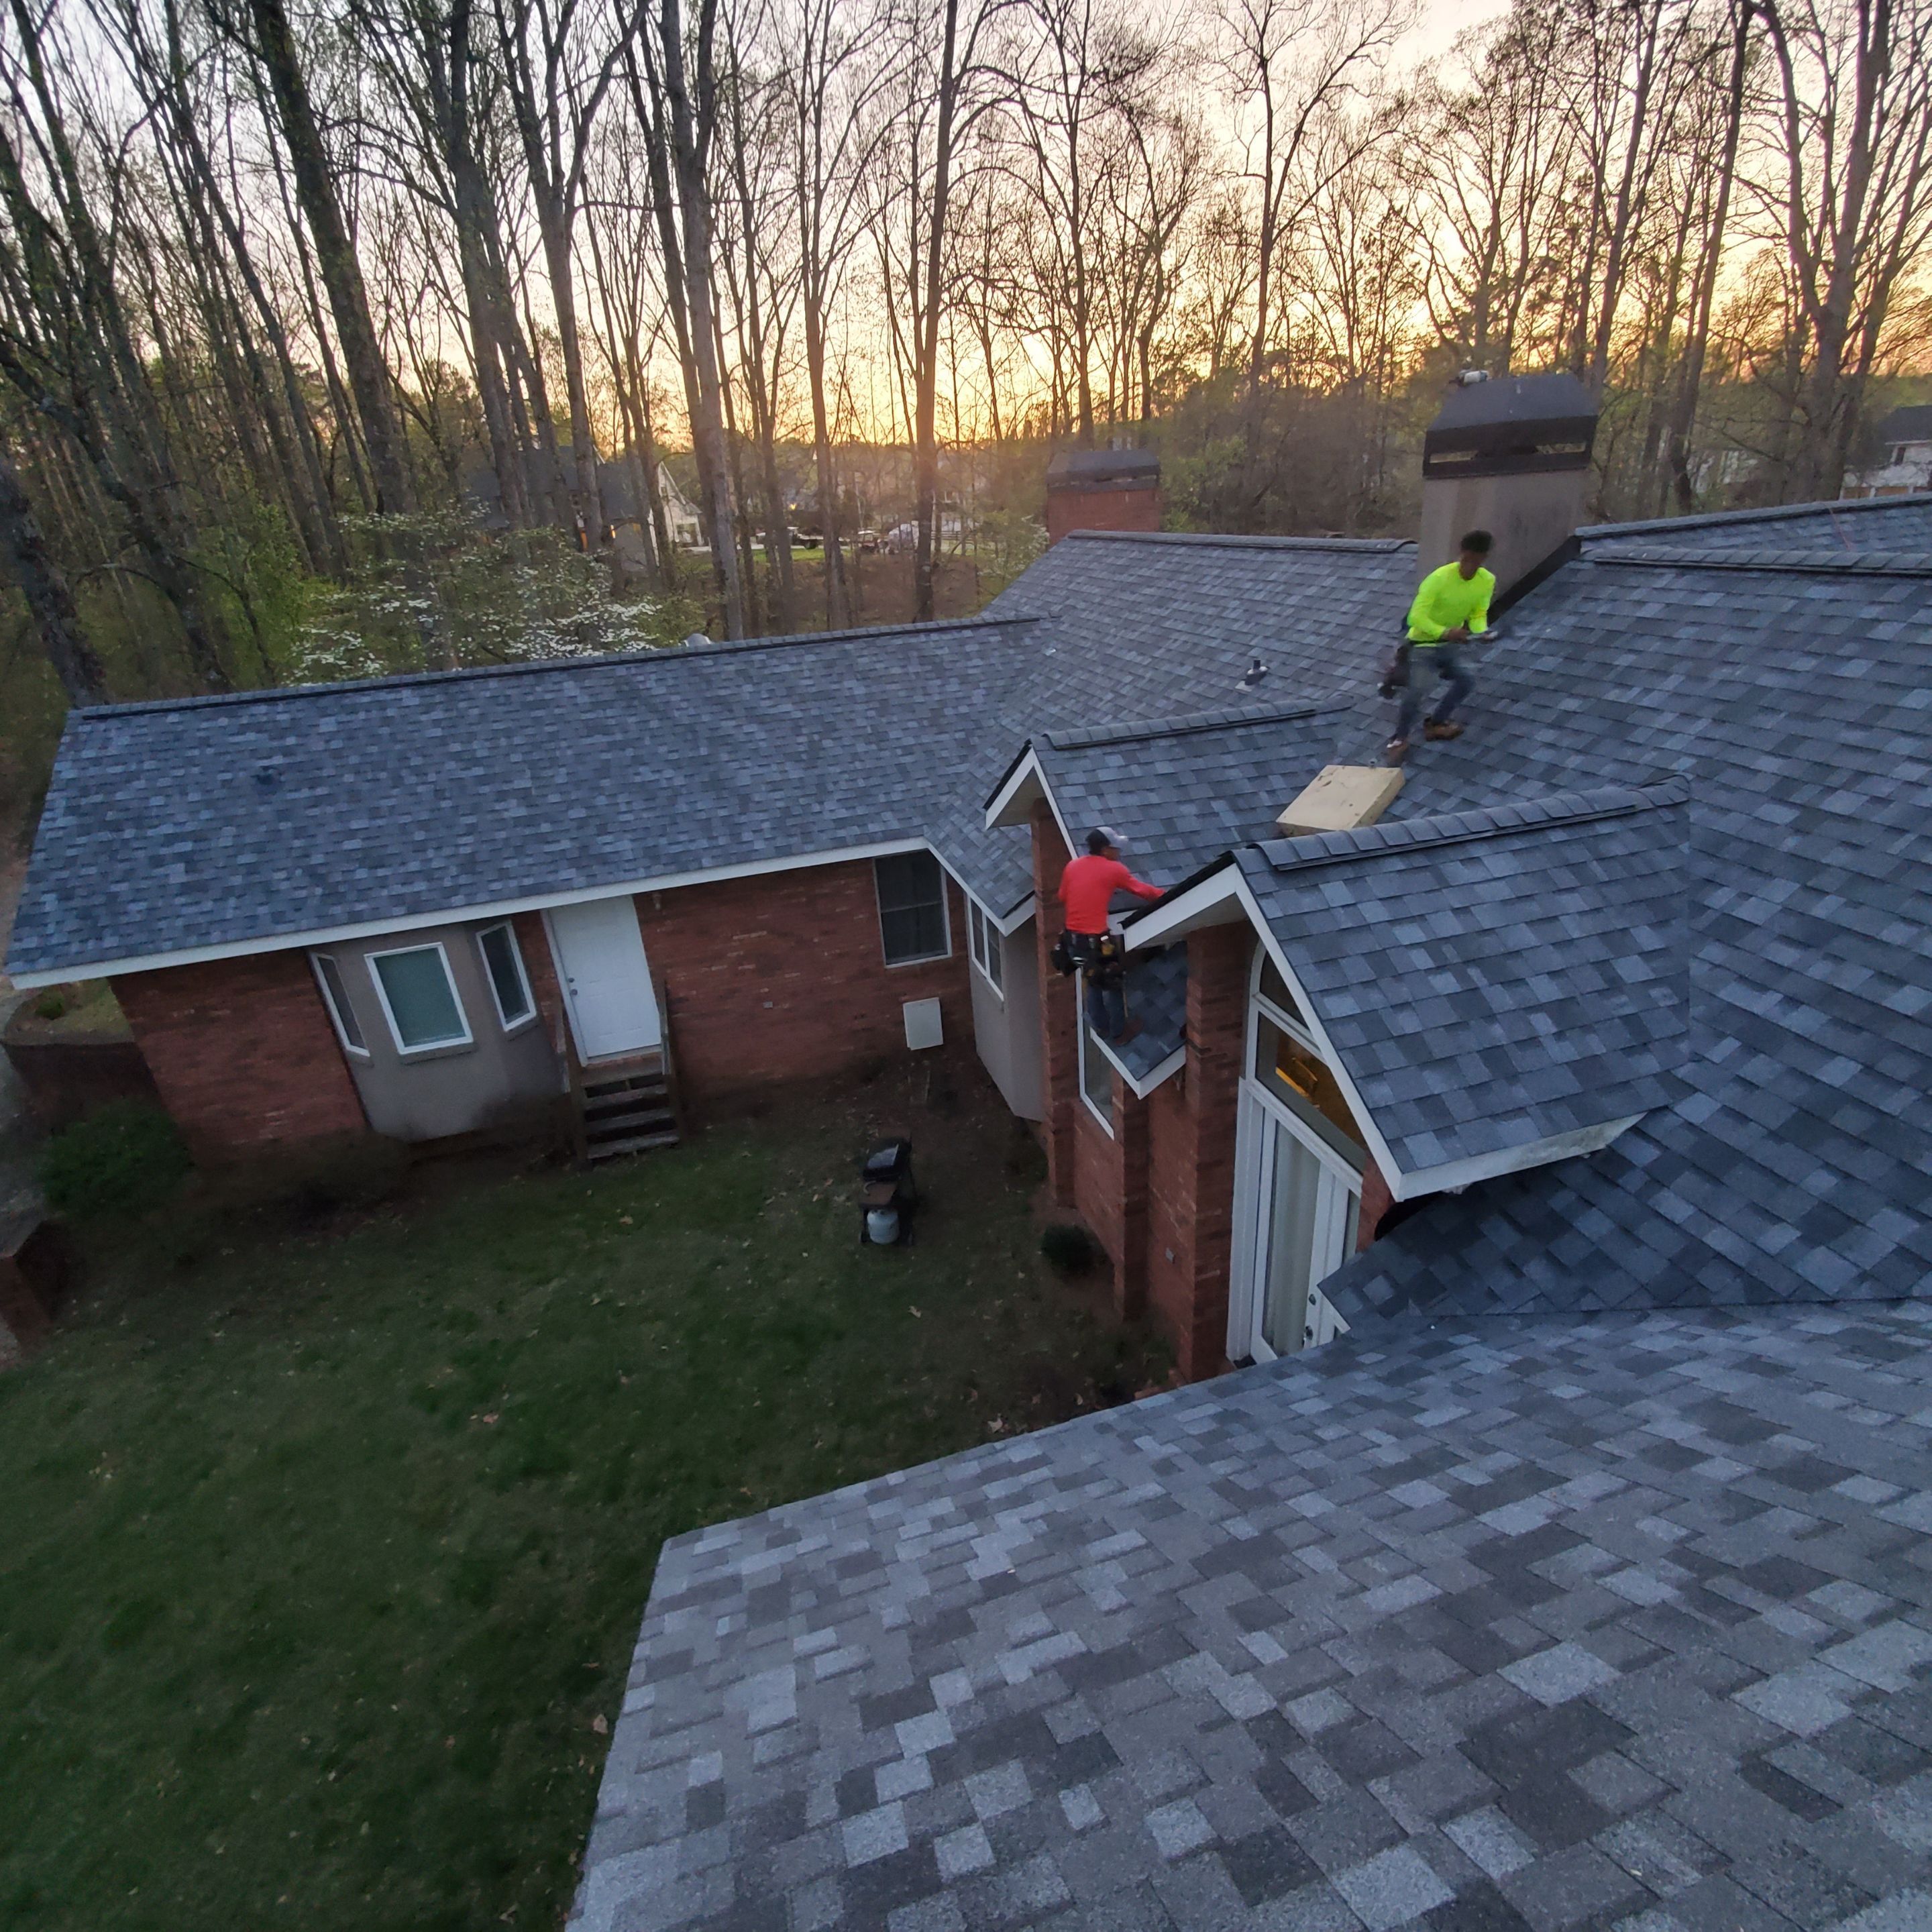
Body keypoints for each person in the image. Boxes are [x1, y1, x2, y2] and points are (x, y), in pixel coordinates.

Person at [1386, 528, 1494, 764]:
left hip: (1449, 647)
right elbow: (1416, 617)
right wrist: (1445, 632)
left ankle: (1436, 722)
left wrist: (1481, 631)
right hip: (1422, 645)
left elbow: (1478, 613)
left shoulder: (1487, 580)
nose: (1470, 566)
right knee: (1418, 690)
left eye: (1476, 561)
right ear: (1461, 554)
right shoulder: (1438, 579)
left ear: (1484, 558)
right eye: (1467, 560)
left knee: (1467, 681)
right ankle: (1399, 738)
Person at [1057, 826, 1162, 1040]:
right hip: (1097, 941)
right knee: (1113, 983)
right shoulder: (1114, 869)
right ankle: (1119, 1032)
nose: (1119, 852)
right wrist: (1167, 895)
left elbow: (1062, 896)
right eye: (1116, 848)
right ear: (1105, 850)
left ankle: (1100, 1026)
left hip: (1073, 941)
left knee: (1092, 980)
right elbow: (1141, 890)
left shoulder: (1072, 866)